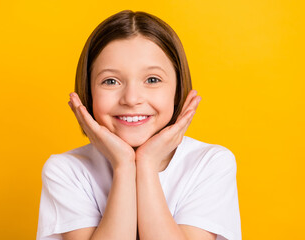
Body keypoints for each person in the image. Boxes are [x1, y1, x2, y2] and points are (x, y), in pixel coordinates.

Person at [36, 10, 241, 240]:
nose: (132, 99)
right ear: (89, 92)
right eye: (110, 81)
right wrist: (124, 166)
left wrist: (146, 163)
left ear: (177, 88)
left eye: (152, 80)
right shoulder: (67, 171)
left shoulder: (210, 163)